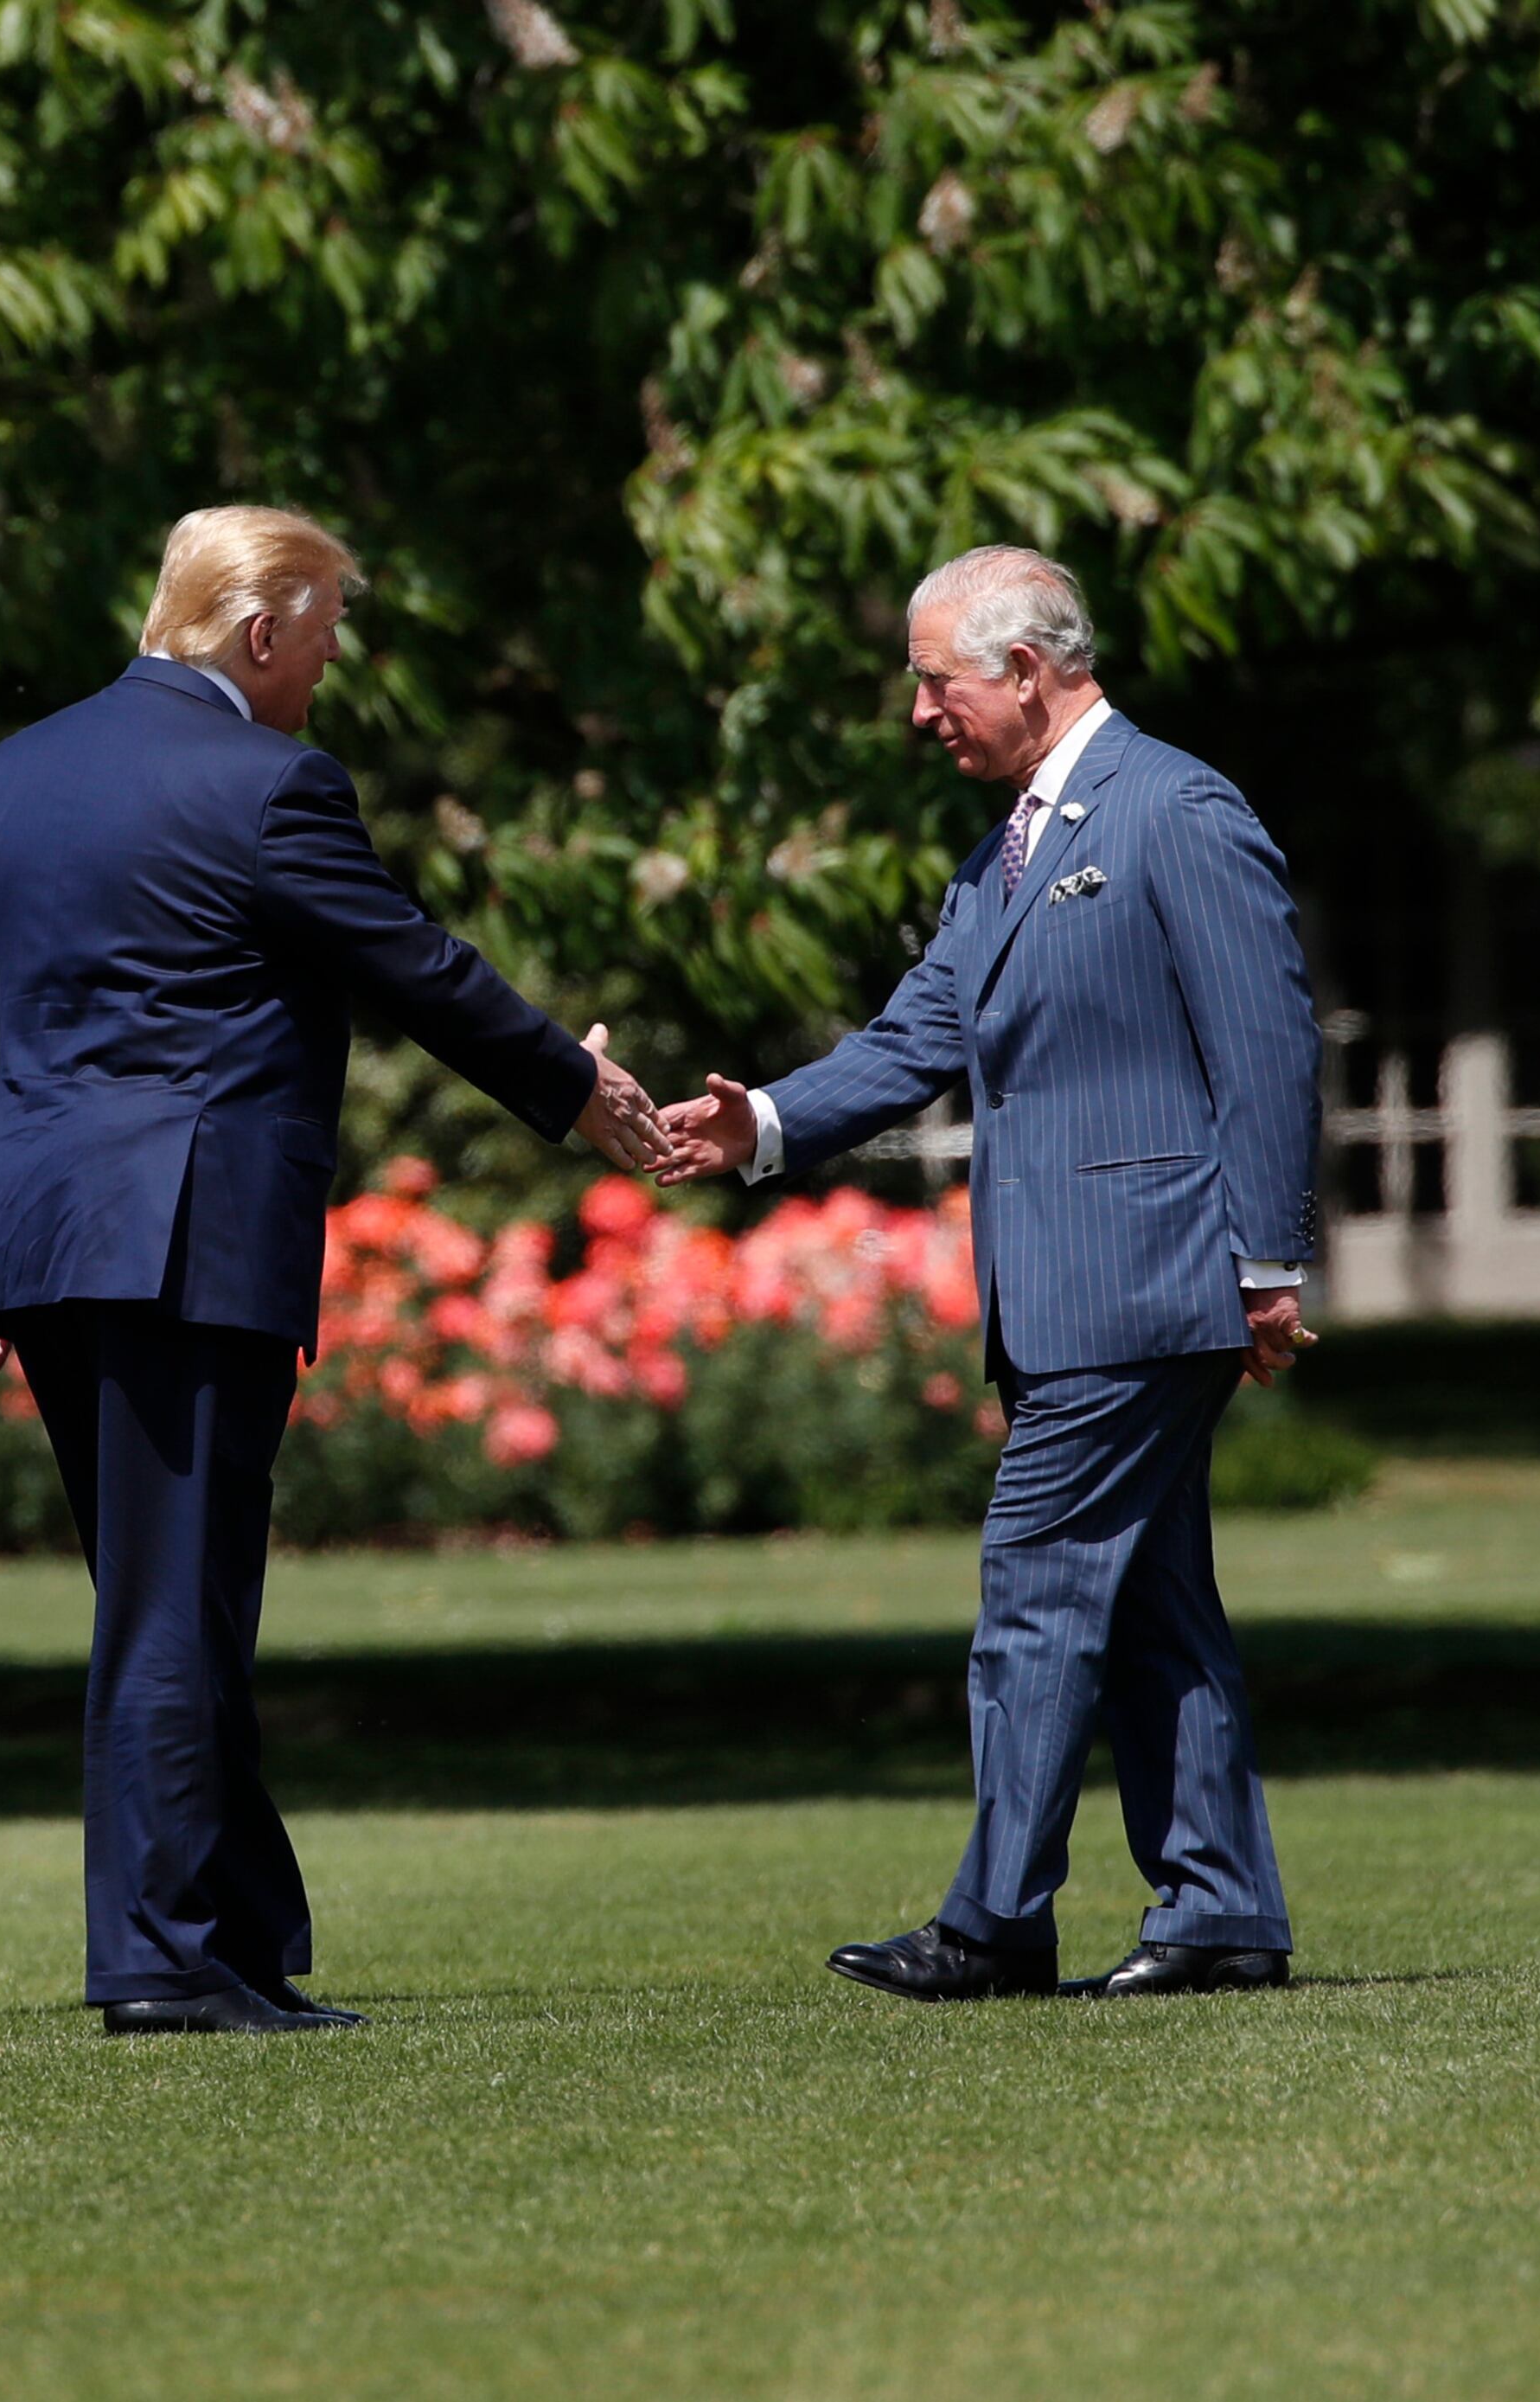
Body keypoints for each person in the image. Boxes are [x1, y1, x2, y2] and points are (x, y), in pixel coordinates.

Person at [0, 505, 669, 2035]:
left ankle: (240, 1933)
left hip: (51, 1244)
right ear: (259, 628)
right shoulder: (272, 786)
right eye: (328, 629)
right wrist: (577, 1091)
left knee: (170, 1592)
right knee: (175, 1606)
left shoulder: (20, 770)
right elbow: (412, 963)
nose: (335, 662)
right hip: (188, 1245)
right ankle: (162, 1961)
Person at [660, 544, 1323, 2002]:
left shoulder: (1178, 808)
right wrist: (757, 1123)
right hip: (1071, 1297)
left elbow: (1268, 1046)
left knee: (1036, 1577)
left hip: (1146, 1284)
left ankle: (996, 1922)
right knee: (1151, 1598)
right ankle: (1218, 1912)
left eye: (933, 677)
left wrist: (1266, 1264)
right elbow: (913, 1042)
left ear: (1026, 670)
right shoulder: (1007, 849)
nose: (915, 710)